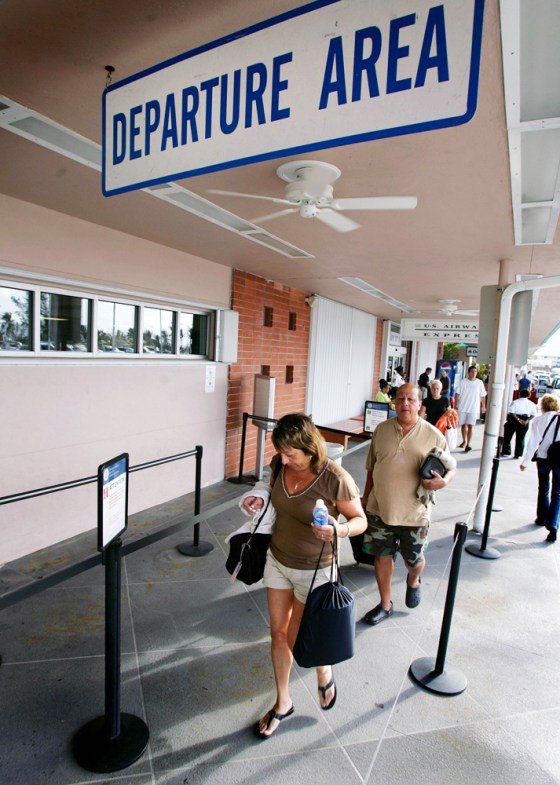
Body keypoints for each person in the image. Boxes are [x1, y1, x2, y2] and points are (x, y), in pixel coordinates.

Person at [241, 413, 367, 738]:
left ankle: (323, 670)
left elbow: (360, 521)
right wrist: (258, 497)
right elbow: (271, 490)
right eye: (281, 453)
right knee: (278, 634)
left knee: (301, 638)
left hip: (316, 569)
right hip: (278, 561)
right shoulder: (280, 464)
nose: (284, 459)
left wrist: (339, 529)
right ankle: (283, 702)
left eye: (290, 454)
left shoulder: (334, 478)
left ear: (309, 448)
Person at [360, 384, 456, 625]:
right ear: (393, 402)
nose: (405, 403)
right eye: (400, 398)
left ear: (420, 404)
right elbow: (372, 467)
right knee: (382, 558)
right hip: (380, 509)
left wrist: (443, 482)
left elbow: (452, 467)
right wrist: (365, 498)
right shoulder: (381, 430)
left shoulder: (434, 435)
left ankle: (413, 580)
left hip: (414, 513)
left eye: (411, 399)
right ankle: (385, 604)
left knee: (414, 561)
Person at [520, 394, 560, 543]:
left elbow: (533, 442)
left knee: (543, 487)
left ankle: (542, 517)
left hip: (543, 458)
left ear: (543, 405)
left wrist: (525, 462)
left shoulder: (538, 420)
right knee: (557, 492)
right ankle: (553, 525)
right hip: (559, 460)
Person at [455, 365, 487, 452]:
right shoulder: (463, 382)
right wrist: (456, 404)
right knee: (463, 425)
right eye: (472, 371)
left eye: (475, 372)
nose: (474, 373)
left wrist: (483, 406)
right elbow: (457, 393)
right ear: (468, 373)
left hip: (474, 407)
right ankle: (464, 441)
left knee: (471, 426)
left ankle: (468, 444)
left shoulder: (479, 383)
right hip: (463, 407)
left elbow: (483, 395)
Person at [501, 389, 537, 458]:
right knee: (521, 438)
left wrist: (518, 419)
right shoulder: (531, 404)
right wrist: (527, 420)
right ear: (528, 395)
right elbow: (533, 414)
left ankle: (506, 451)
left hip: (513, 419)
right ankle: (518, 453)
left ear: (520, 394)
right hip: (525, 418)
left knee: (508, 436)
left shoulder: (515, 402)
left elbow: (511, 412)